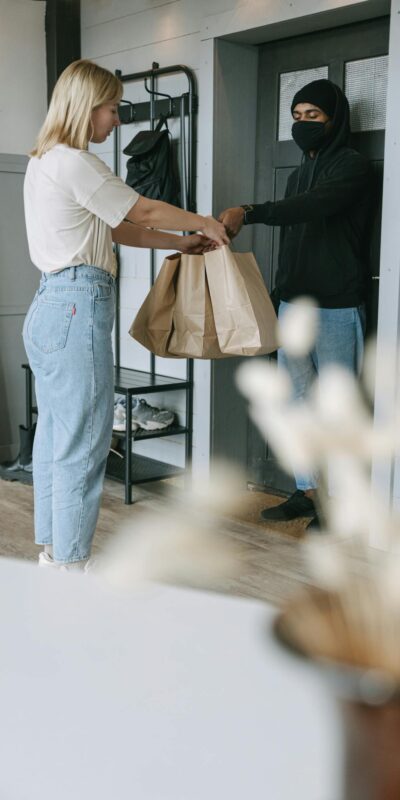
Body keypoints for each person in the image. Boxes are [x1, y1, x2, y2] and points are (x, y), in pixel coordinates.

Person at [23, 59, 229, 570]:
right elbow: (144, 211)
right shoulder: (76, 161)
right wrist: (204, 219)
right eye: (113, 108)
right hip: (76, 305)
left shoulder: (43, 161)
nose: (117, 120)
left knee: (55, 435)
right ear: (86, 106)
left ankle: (53, 553)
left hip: (49, 305)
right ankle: (72, 565)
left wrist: (184, 243)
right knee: (85, 443)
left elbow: (120, 229)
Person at [219, 79, 373, 529]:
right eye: (298, 115)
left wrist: (249, 211)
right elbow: (294, 240)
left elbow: (311, 207)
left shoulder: (353, 166)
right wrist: (277, 298)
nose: (303, 124)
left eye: (314, 116)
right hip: (293, 306)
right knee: (296, 404)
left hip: (337, 307)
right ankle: (308, 490)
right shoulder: (296, 173)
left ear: (334, 119)